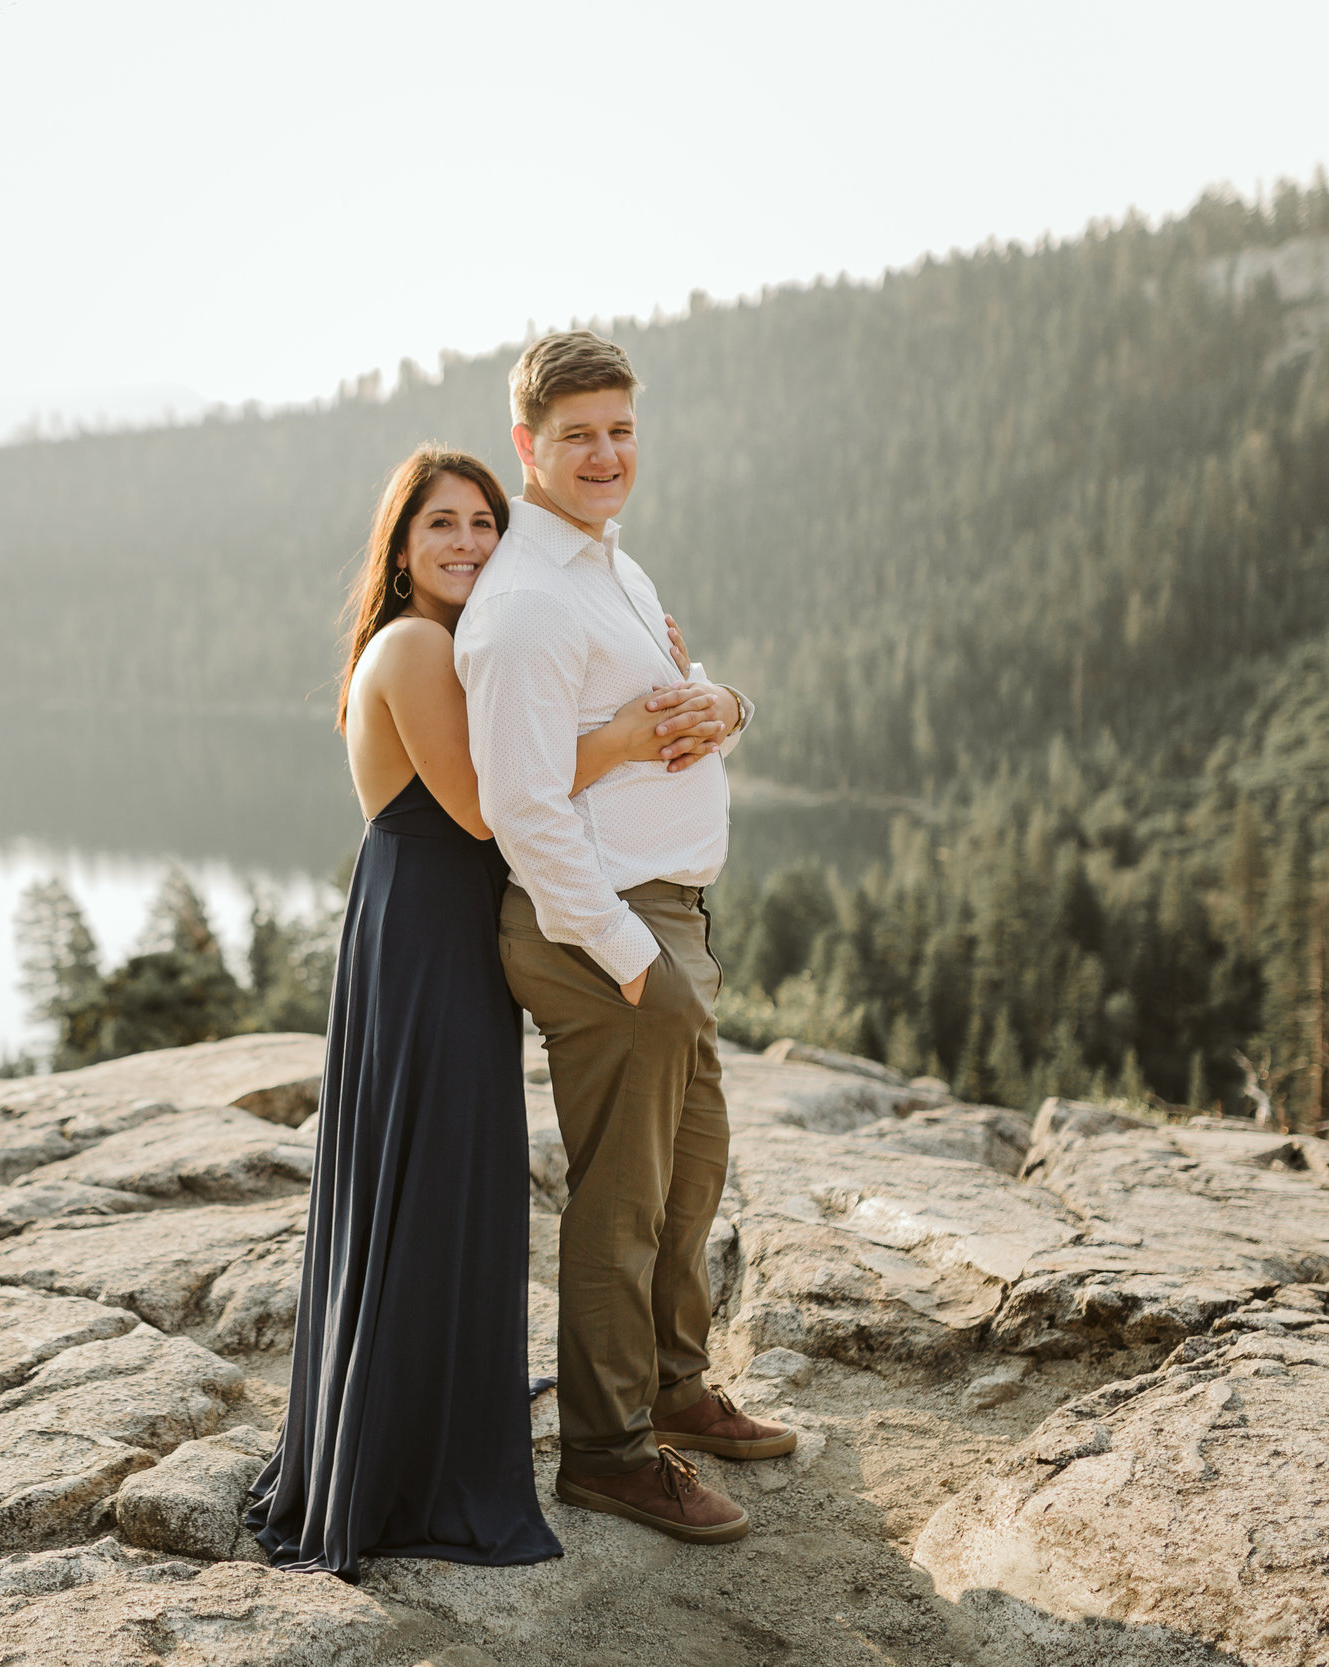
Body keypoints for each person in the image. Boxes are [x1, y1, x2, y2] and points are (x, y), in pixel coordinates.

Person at [245, 445, 733, 1579]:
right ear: (401, 550)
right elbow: (477, 808)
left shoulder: (463, 641)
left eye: (482, 524)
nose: (466, 542)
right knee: (434, 1177)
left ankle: (427, 1413)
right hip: (424, 929)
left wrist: (670, 689)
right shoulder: (414, 646)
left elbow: (522, 751)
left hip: (446, 925)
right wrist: (627, 733)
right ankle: (409, 1457)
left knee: (446, 1182)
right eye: (440, 526)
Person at [455, 331, 796, 1547]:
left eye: (620, 430)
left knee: (689, 1170)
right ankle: (604, 1449)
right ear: (527, 448)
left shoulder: (610, 564)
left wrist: (727, 703)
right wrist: (625, 953)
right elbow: (524, 808)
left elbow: (672, 699)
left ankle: (672, 1382)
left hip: (663, 916)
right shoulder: (525, 606)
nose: (605, 454)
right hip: (601, 923)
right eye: (577, 436)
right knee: (623, 1201)